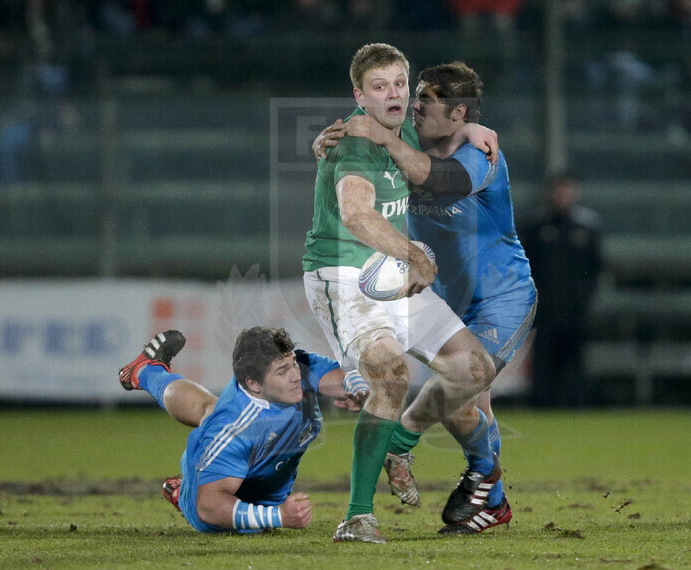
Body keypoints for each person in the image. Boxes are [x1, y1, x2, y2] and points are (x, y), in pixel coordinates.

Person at [320, 61, 536, 534]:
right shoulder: (414, 142)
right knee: (466, 403)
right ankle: (491, 500)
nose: (413, 105)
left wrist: (389, 139)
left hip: (500, 297)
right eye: (413, 95)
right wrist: (333, 144)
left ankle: (403, 442)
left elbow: (441, 181)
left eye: (425, 100)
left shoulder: (479, 154)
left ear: (458, 112)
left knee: (467, 396)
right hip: (440, 292)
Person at [117, 327, 369, 534]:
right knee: (216, 428)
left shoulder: (293, 371)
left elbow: (339, 378)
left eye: (291, 363)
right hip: (211, 495)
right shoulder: (234, 429)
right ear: (254, 384)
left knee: (208, 409)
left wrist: (356, 385)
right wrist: (278, 516)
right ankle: (184, 492)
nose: (294, 375)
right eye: (282, 371)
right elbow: (209, 507)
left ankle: (146, 371)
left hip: (248, 468)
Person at [520, 172, 602, 407]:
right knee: (543, 358)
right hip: (544, 308)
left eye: (567, 190)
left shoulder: (588, 227)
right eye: (559, 190)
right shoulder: (535, 226)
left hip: (576, 308)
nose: (563, 196)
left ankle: (575, 404)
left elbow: (596, 267)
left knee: (574, 359)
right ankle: (542, 404)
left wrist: (586, 297)